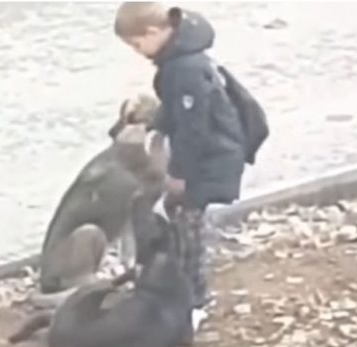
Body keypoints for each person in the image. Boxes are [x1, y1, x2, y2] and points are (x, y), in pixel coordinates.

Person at [113, 2, 269, 329]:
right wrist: (155, 120)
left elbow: (193, 128)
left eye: (137, 44)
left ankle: (194, 302)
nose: (137, 52)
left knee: (189, 224)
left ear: (154, 32)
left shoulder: (183, 69)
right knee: (179, 215)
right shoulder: (182, 56)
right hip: (210, 152)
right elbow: (178, 110)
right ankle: (178, 281)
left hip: (210, 159)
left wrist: (179, 175)